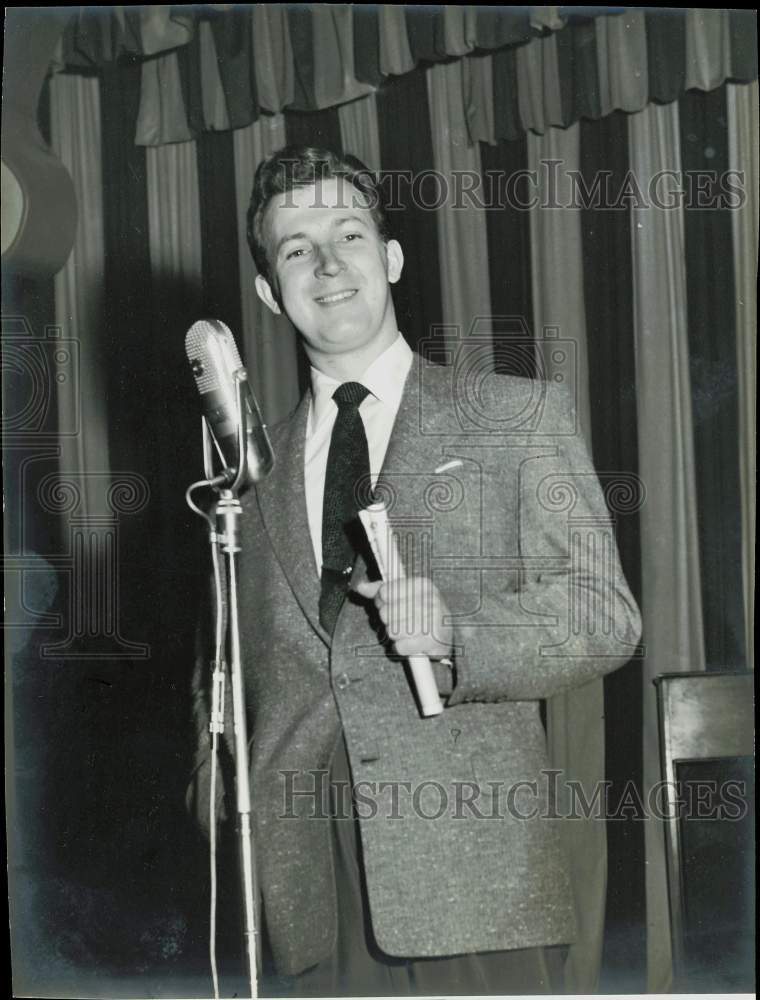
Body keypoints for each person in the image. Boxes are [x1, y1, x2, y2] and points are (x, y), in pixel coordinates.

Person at [187, 145, 642, 996]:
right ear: (268, 293)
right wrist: (221, 795)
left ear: (390, 259)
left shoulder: (516, 416)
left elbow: (603, 613)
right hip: (307, 886)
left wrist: (458, 637)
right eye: (295, 249)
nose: (327, 264)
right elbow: (224, 673)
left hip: (470, 870)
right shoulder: (247, 471)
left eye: (349, 234)